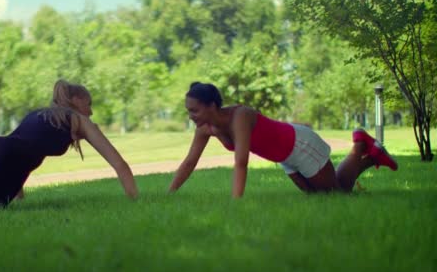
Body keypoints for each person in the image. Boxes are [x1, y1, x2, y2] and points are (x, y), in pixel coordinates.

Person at [0, 79, 138, 211]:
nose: (91, 111)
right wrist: (135, 202)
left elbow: (16, 146)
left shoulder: (40, 113)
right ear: (76, 101)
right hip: (10, 154)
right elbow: (120, 164)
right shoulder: (81, 121)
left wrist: (17, 192)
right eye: (89, 104)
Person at [168, 82, 398, 198]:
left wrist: (235, 203)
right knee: (319, 196)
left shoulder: (240, 117)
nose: (191, 116)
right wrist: (170, 194)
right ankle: (369, 152)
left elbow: (241, 163)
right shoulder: (204, 129)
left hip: (299, 145)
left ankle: (360, 147)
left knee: (335, 195)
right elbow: (190, 162)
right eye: (188, 111)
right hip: (284, 157)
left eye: (194, 110)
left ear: (211, 106)